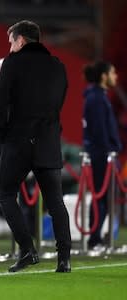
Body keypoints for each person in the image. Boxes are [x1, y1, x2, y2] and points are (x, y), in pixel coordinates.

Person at [0, 20, 72, 273]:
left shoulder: (12, 63)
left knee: (5, 194)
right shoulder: (58, 66)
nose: (10, 47)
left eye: (11, 42)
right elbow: (59, 102)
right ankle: (64, 259)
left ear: (21, 40)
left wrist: (3, 134)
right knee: (55, 201)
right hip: (48, 140)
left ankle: (27, 250)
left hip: (18, 140)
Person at [82, 61, 122, 249]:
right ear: (104, 76)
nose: (116, 77)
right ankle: (94, 239)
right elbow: (99, 132)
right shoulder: (97, 98)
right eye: (113, 73)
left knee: (104, 197)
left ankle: (97, 238)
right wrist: (109, 152)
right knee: (101, 197)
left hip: (104, 154)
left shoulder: (99, 97)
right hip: (102, 156)